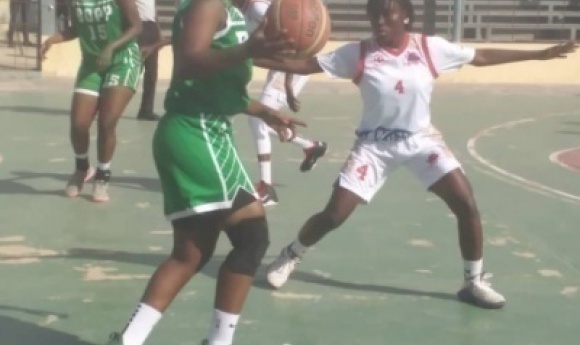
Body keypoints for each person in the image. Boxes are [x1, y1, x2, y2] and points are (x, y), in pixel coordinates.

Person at [257, 0, 576, 309]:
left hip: (421, 141)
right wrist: (241, 55)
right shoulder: (358, 53)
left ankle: (473, 282)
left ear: (405, 15)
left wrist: (539, 53)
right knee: (334, 215)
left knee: (465, 203)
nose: (379, 22)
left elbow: (480, 56)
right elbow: (300, 64)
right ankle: (292, 254)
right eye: (373, 16)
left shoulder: (428, 48)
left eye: (386, 14)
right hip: (374, 146)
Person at [104, 0, 302, 344]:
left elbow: (218, 85)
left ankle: (128, 340)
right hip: (198, 133)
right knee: (252, 237)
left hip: (198, 131)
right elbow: (191, 62)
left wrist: (266, 111)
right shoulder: (208, 4)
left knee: (190, 254)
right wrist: (246, 49)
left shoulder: (227, 9)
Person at [41, 0, 142, 202]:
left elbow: (136, 26)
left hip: (122, 60)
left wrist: (112, 46)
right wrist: (54, 39)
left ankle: (103, 176)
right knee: (78, 124)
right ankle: (82, 169)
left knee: (106, 122)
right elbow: (78, 28)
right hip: (92, 63)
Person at [233, 0, 328, 206]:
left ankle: (267, 188)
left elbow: (293, 41)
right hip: (279, 64)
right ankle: (311, 147)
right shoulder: (236, 13)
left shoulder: (259, 7)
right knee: (264, 120)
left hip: (291, 66)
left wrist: (289, 86)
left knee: (258, 121)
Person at [135, 0, 162, 121]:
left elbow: (154, 11)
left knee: (151, 72)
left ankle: (146, 110)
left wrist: (159, 31)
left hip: (151, 26)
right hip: (138, 25)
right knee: (135, 69)